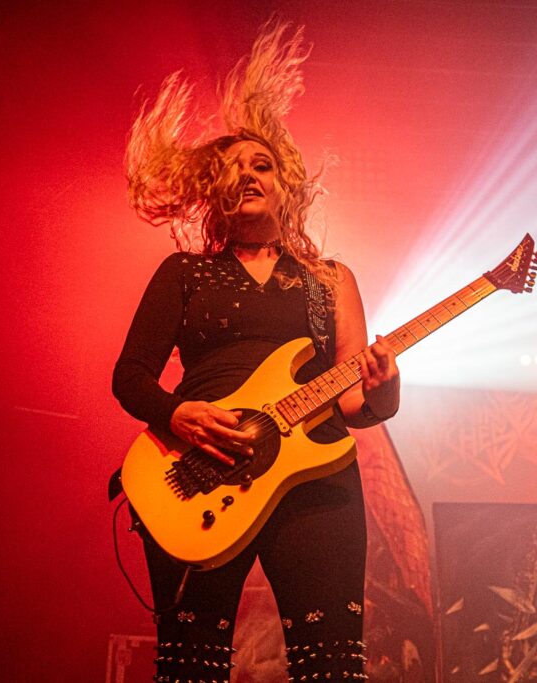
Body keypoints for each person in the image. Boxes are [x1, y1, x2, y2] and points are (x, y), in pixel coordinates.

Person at [112, 21, 400, 683]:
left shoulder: (330, 279)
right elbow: (129, 375)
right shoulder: (184, 272)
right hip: (200, 468)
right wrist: (176, 414)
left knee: (331, 665)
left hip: (316, 476)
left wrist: (385, 386)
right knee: (190, 667)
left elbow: (355, 404)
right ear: (214, 194)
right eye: (230, 169)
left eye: (260, 165)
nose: (244, 175)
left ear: (285, 185)